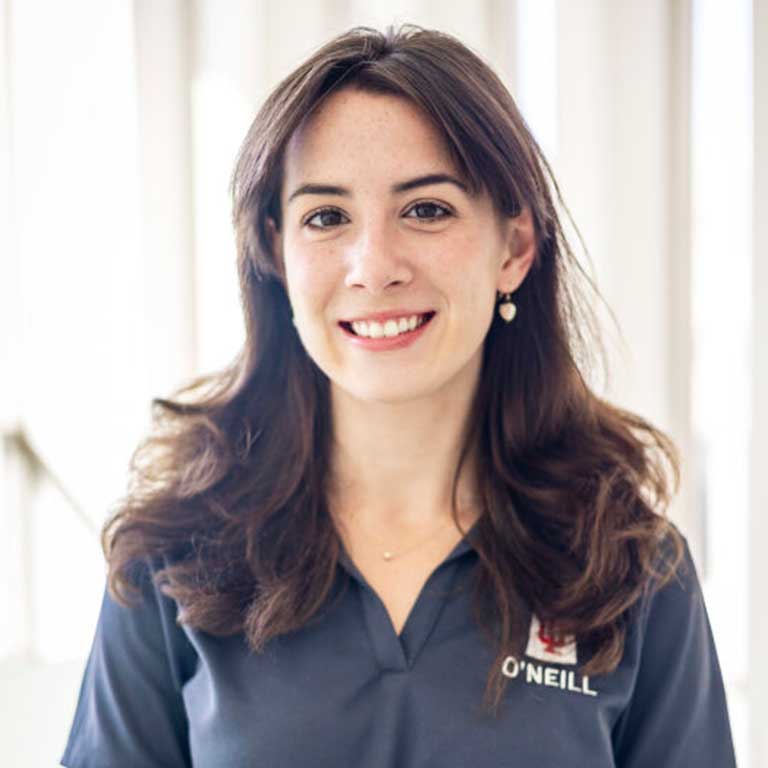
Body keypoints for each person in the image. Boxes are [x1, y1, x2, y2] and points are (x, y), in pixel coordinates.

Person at [60, 23, 737, 768]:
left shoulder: (629, 571)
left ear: (513, 247)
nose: (373, 265)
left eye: (426, 210)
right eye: (326, 217)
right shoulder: (171, 560)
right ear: (275, 255)